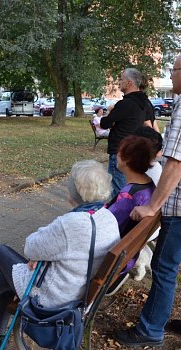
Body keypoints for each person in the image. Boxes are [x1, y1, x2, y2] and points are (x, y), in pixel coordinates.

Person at [0, 160, 121, 347]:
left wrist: (40, 253)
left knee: (0, 251)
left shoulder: (70, 224)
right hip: (78, 293)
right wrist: (43, 252)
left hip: (53, 300)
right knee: (0, 280)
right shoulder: (107, 217)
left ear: (74, 193)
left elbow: (31, 246)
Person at [114, 55, 181, 348]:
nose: (171, 73)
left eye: (174, 69)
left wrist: (154, 205)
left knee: (165, 267)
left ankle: (150, 330)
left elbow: (176, 162)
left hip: (178, 209)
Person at [100, 68, 153, 198]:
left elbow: (105, 123)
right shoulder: (143, 103)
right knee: (126, 188)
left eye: (121, 79)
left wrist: (108, 113)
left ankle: (117, 217)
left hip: (119, 152)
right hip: (133, 150)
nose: (119, 82)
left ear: (129, 83)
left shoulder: (125, 104)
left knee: (117, 192)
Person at [106, 135, 156, 237]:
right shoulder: (149, 183)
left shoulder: (129, 195)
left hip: (115, 245)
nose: (116, 155)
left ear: (127, 159)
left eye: (119, 152)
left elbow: (107, 223)